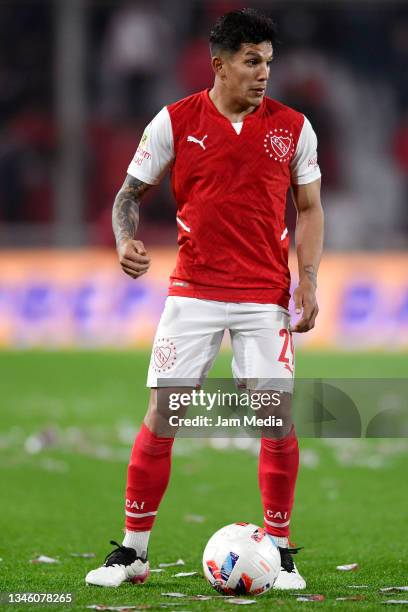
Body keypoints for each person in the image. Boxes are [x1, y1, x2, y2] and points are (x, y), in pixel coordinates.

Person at [85, 8, 323, 591]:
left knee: (275, 420)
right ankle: (134, 552)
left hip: (263, 295)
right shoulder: (173, 121)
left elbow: (310, 208)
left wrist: (308, 279)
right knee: (162, 417)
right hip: (192, 292)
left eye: (268, 61)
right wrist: (124, 239)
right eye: (251, 61)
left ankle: (282, 550)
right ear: (219, 64)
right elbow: (129, 194)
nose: (264, 73)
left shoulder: (293, 127)